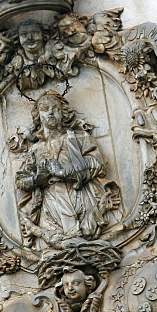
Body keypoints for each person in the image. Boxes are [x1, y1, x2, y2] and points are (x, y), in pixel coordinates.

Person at [15, 91, 120, 247]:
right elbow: (21, 180)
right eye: (45, 108)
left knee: (81, 241)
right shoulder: (36, 149)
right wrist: (37, 179)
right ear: (38, 116)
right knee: (61, 244)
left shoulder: (79, 137)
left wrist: (66, 169)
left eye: (55, 108)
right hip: (50, 205)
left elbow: (99, 164)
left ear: (62, 114)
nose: (50, 112)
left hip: (79, 197)